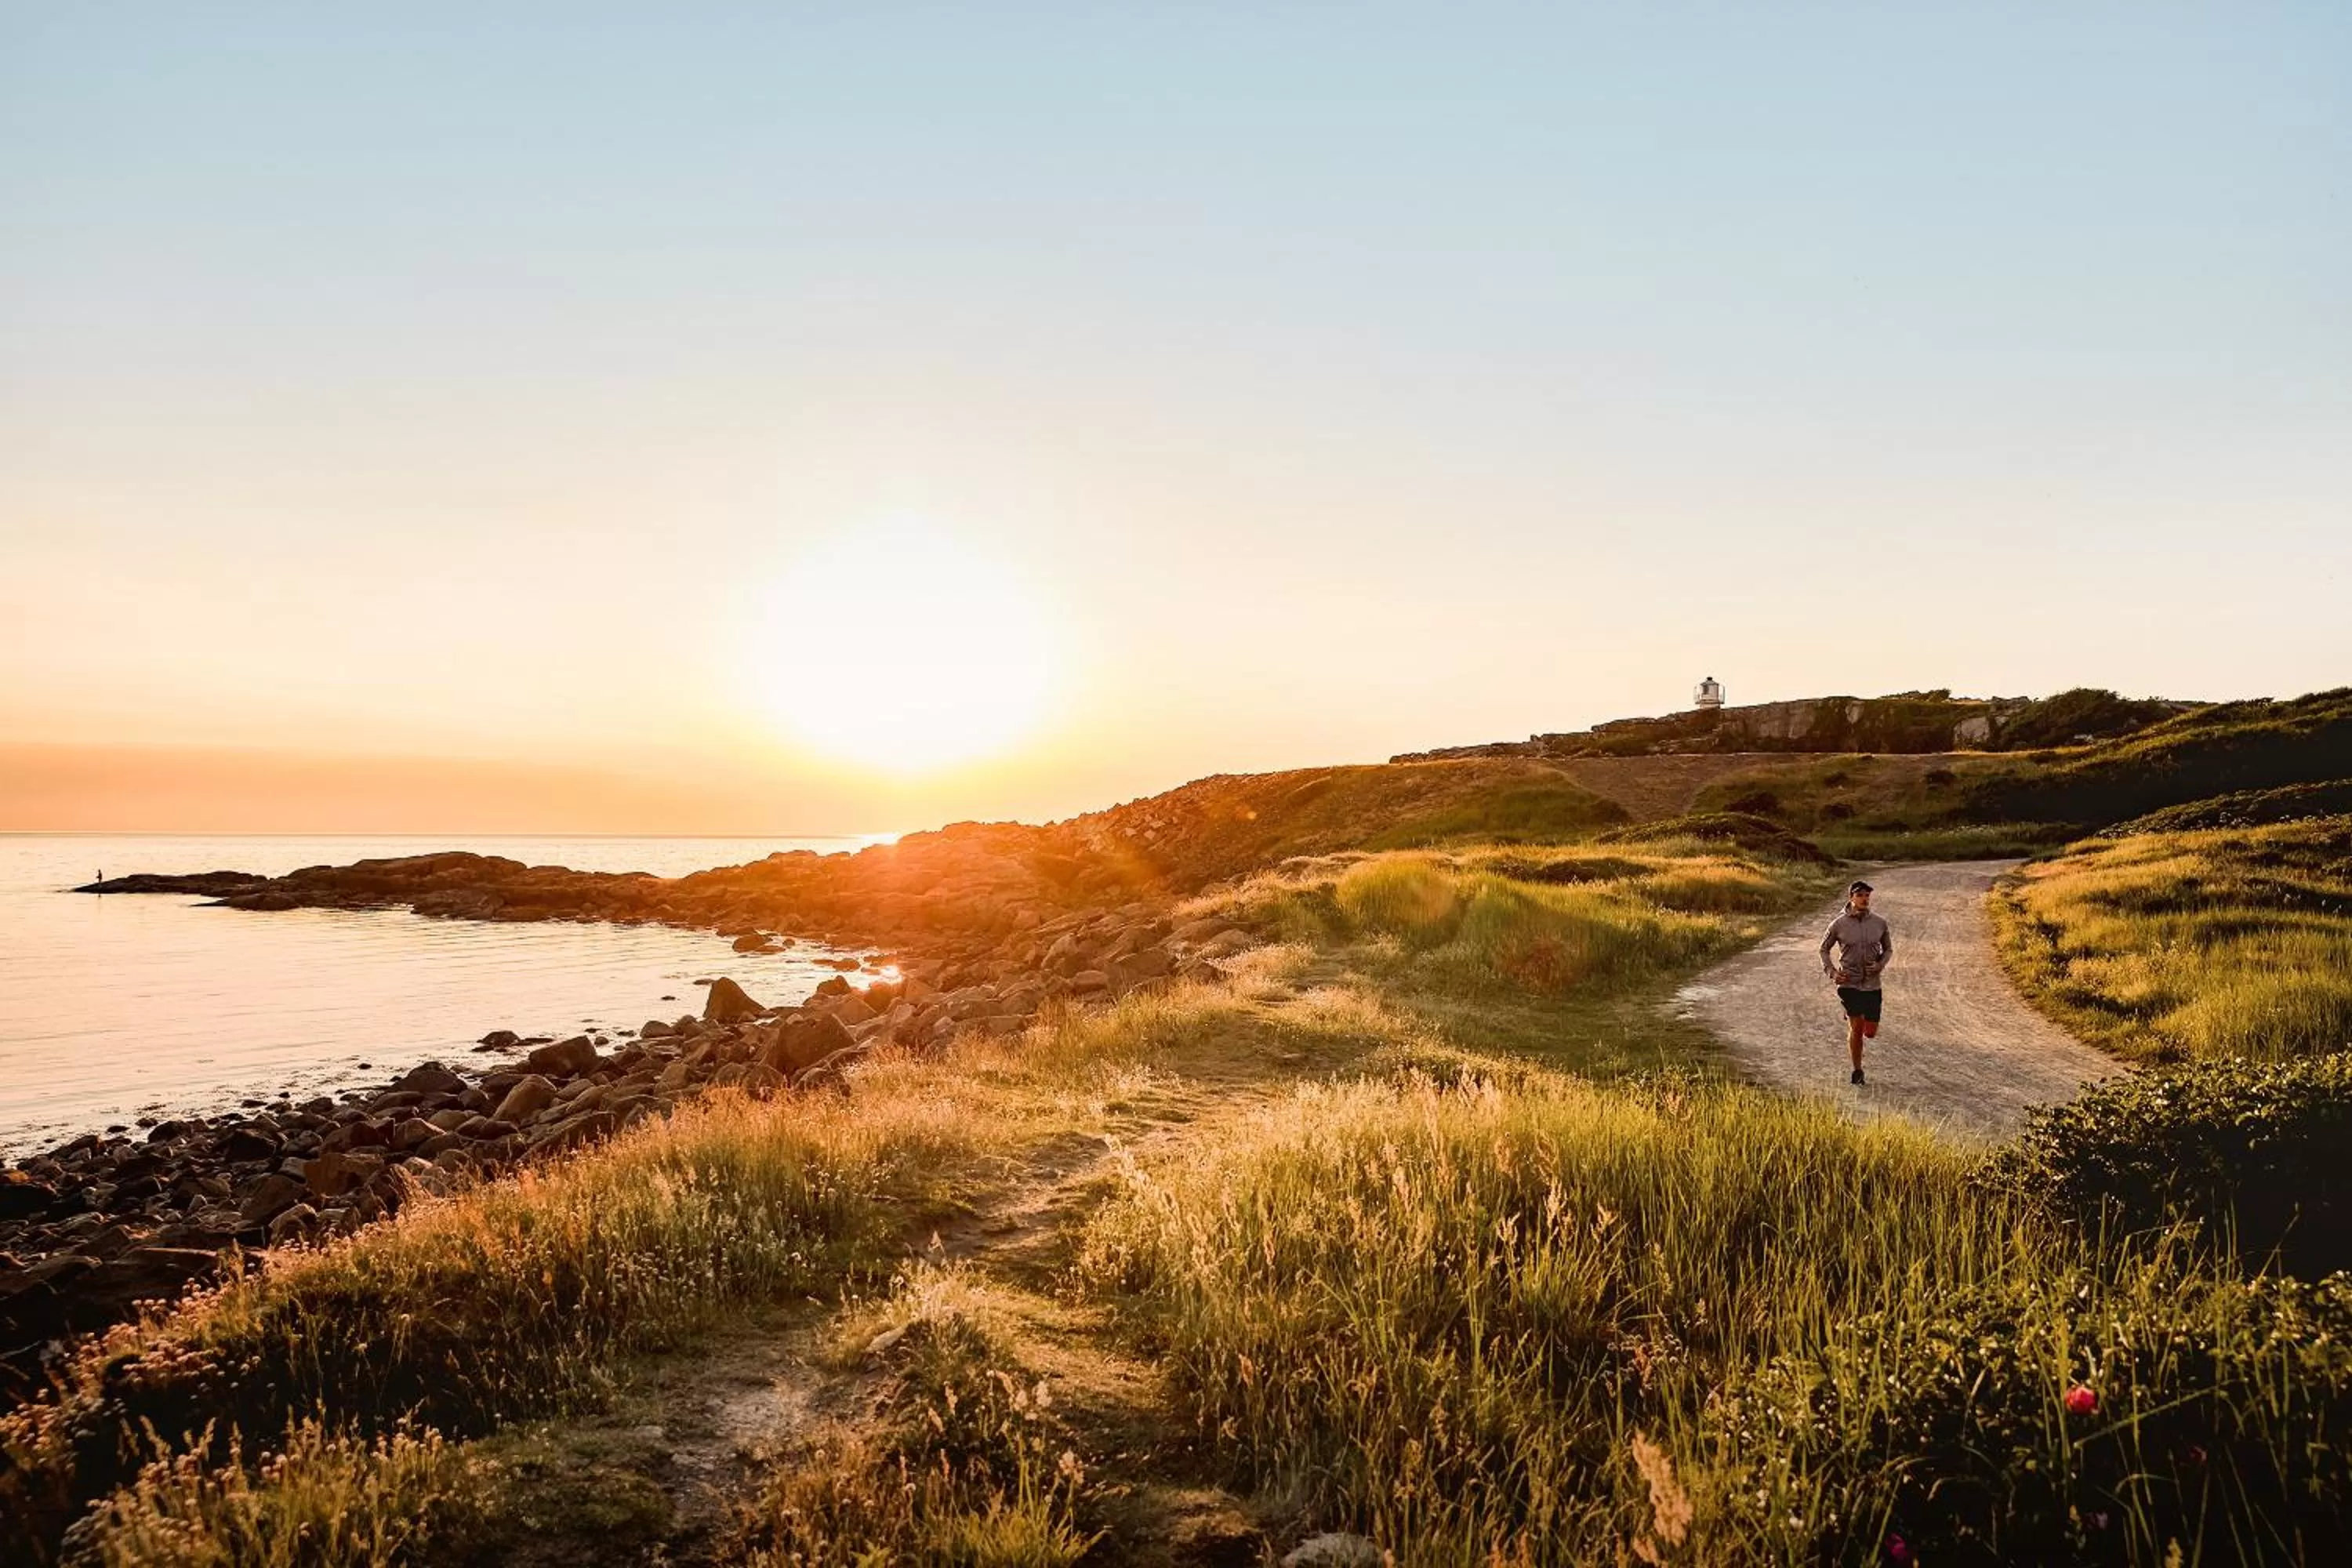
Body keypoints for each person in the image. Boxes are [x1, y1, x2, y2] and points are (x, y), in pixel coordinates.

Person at [1819, 880, 1893, 1085]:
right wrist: (1833, 973)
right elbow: (1823, 950)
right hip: (1849, 983)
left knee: (1870, 1032)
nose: (1864, 899)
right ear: (1851, 897)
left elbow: (1888, 950)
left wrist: (1880, 965)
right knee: (1857, 1028)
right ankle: (1857, 1071)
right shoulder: (1838, 924)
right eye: (1860, 895)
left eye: (1867, 895)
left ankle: (1855, 1016)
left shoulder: (1880, 923)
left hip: (1872, 984)